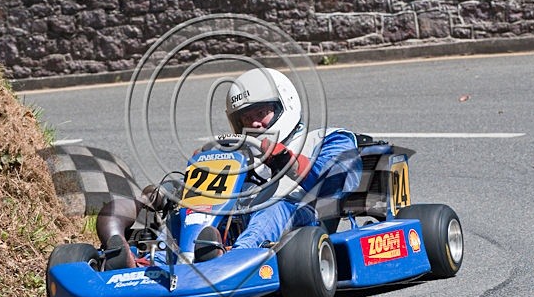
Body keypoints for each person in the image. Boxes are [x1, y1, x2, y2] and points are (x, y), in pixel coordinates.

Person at [96, 67, 361, 269]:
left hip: (303, 217)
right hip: (235, 220)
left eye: (260, 114)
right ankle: (149, 262)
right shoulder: (236, 152)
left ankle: (233, 259)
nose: (254, 124)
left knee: (272, 207)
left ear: (285, 105)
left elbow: (336, 182)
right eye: (246, 118)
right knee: (184, 209)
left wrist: (283, 158)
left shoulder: (329, 138)